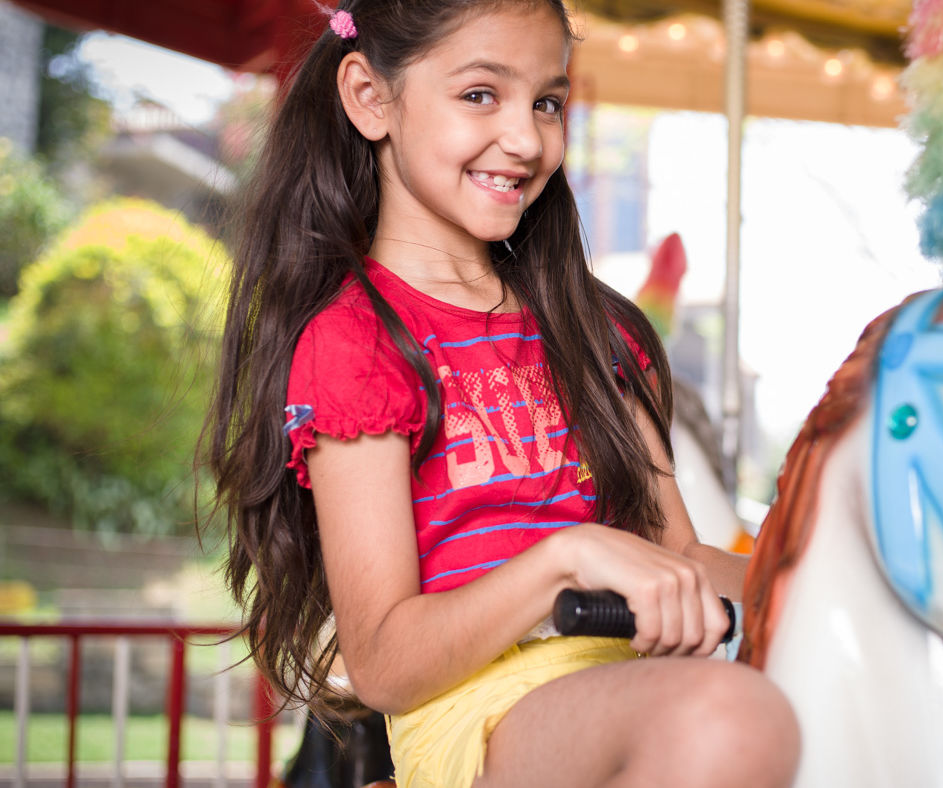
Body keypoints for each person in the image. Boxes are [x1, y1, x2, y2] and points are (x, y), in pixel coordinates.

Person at [203, 2, 800, 785]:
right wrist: (563, 560)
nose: (526, 139)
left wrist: (809, 579)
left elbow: (680, 553)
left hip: (626, 679)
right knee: (729, 712)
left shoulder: (590, 328)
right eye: (482, 94)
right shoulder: (360, 344)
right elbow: (383, 662)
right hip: (477, 708)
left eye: (547, 103)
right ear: (370, 97)